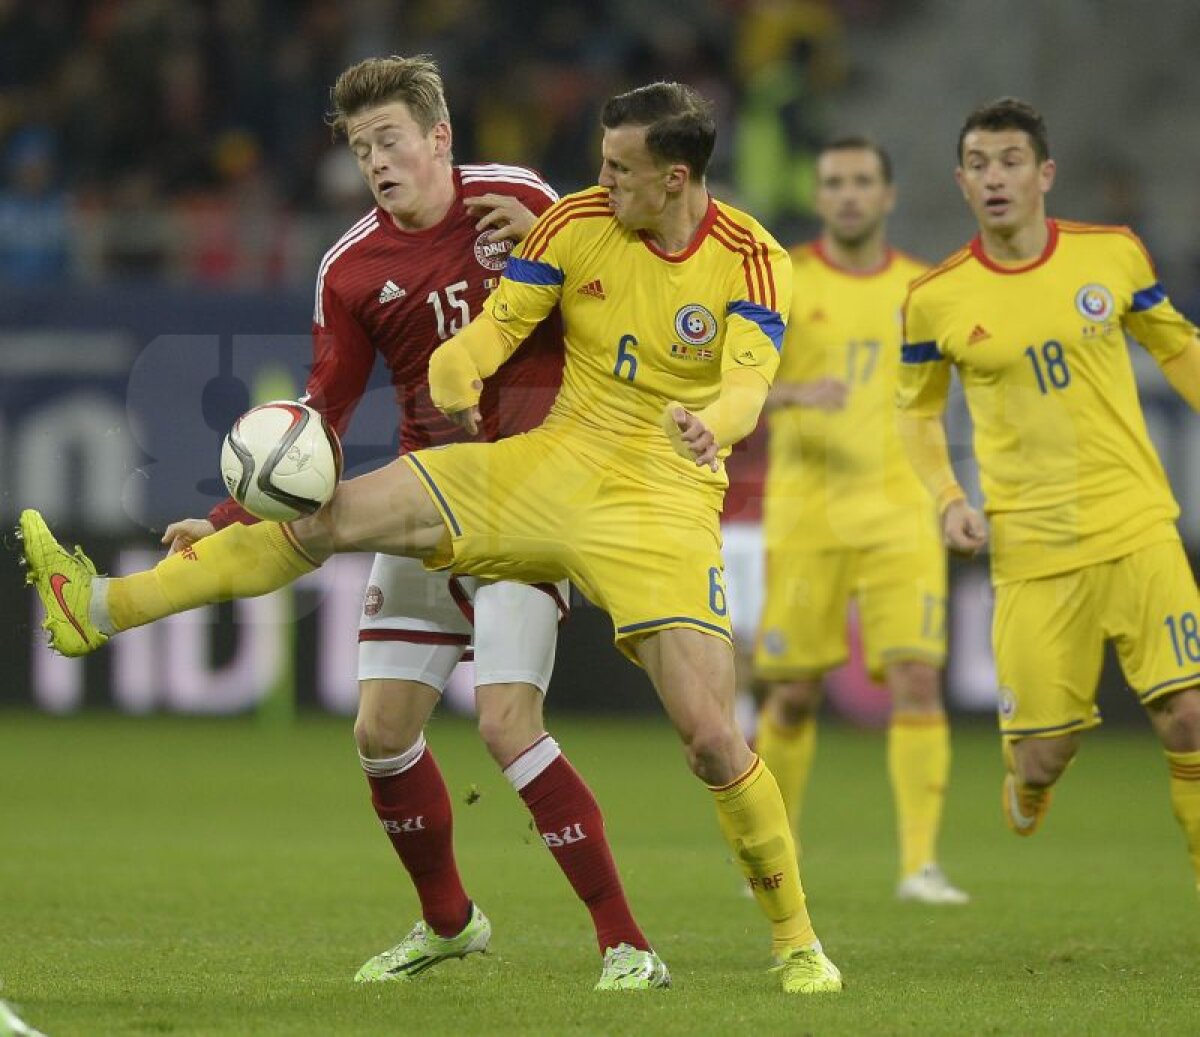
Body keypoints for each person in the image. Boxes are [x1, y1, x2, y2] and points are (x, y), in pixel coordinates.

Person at [22, 81, 843, 994]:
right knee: (328, 523)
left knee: (710, 739)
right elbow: (498, 327)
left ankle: (796, 940)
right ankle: (100, 605)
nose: (600, 179)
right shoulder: (569, 220)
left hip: (662, 499)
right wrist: (458, 371)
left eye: (619, 168)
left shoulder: (749, 256)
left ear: (674, 177)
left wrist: (711, 424)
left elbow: (747, 385)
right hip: (543, 465)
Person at [115, 56, 670, 993]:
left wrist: (556, 244)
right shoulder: (349, 267)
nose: (375, 161)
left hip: (529, 497)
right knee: (380, 731)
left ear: (439, 137)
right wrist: (227, 512)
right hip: (426, 501)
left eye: (390, 140)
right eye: (360, 147)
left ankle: (625, 943)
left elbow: (625, 285)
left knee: (506, 724)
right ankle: (449, 922)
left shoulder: (523, 198)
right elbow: (323, 412)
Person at [896, 97, 1200, 892]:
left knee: (1189, 714)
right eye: (980, 165)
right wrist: (947, 496)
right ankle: (1029, 783)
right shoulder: (936, 297)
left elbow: (1177, 348)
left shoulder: (1113, 254)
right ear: (962, 182)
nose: (996, 178)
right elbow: (916, 412)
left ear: (1045, 174)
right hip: (1032, 546)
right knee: (1043, 753)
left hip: (1137, 521)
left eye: (1012, 162)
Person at [752, 137, 967, 905]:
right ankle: (775, 856)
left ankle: (920, 864)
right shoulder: (784, 280)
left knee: (918, 677)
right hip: (808, 513)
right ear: (819, 197)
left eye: (862, 181)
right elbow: (727, 384)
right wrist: (791, 394)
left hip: (901, 511)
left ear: (887, 195)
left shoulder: (923, 289)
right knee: (792, 693)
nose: (848, 194)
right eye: (835, 182)